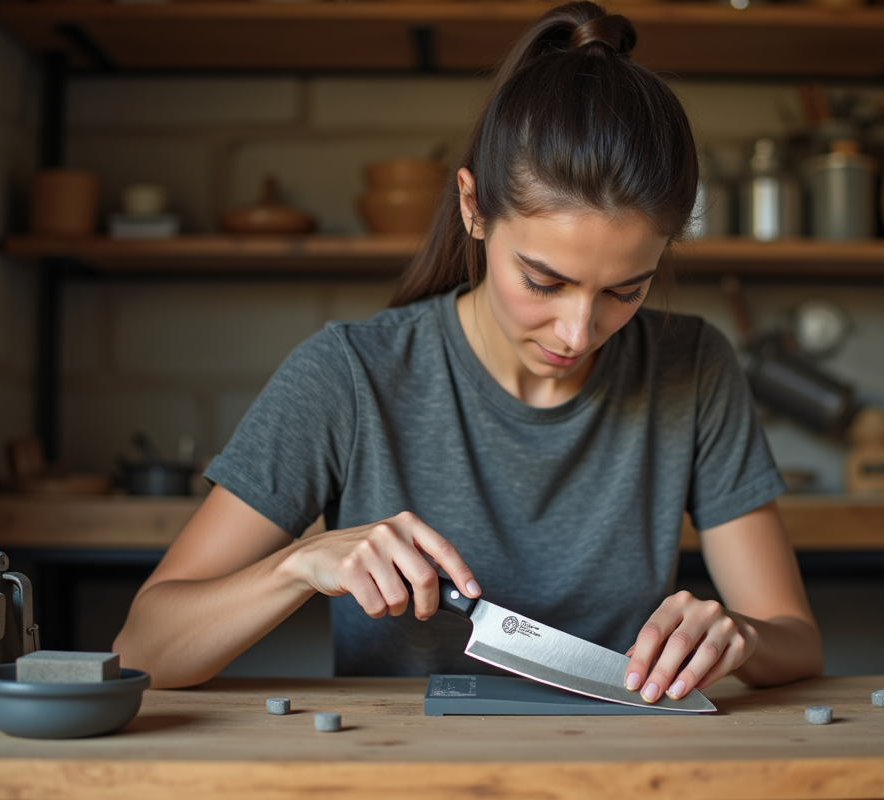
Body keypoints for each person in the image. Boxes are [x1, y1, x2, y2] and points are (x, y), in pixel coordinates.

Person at [113, 0, 823, 700]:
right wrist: (297, 565)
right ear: (472, 207)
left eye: (625, 290)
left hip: (625, 763)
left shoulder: (692, 366)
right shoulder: (349, 375)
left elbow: (796, 640)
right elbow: (144, 648)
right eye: (544, 281)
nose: (578, 333)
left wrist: (740, 635)